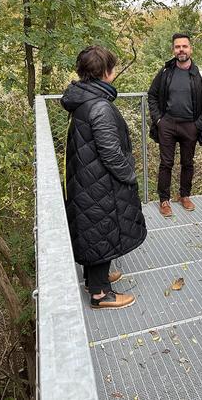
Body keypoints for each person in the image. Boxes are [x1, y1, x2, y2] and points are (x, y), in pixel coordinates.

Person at [61, 45, 147, 309]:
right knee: (101, 228)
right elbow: (111, 152)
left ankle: (94, 278)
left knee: (94, 228)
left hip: (87, 178)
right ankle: (100, 294)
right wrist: (129, 175)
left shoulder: (84, 99)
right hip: (99, 182)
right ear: (107, 72)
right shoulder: (99, 106)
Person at [147, 33, 202, 217]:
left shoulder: (201, 75)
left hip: (190, 126)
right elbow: (152, 96)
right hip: (167, 125)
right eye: (177, 47)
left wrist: (197, 125)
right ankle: (164, 200)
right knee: (166, 163)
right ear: (173, 50)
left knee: (187, 163)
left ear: (190, 49)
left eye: (184, 46)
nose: (181, 50)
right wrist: (159, 120)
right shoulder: (165, 73)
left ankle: (184, 195)